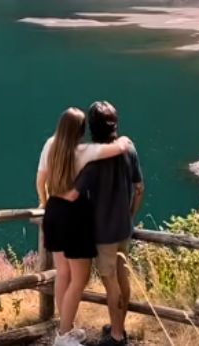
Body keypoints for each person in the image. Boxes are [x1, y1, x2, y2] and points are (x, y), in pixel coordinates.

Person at [36, 107, 134, 346]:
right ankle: (63, 335)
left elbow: (40, 180)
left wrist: (45, 202)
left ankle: (66, 329)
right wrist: (124, 139)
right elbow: (120, 147)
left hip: (53, 213)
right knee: (79, 279)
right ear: (81, 131)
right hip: (74, 217)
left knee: (63, 273)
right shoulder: (84, 151)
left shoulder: (50, 144)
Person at [75, 101, 144, 346]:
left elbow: (77, 194)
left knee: (110, 281)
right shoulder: (130, 149)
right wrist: (130, 215)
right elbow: (139, 188)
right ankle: (119, 327)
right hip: (124, 229)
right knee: (122, 278)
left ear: (93, 127)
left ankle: (116, 336)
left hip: (103, 232)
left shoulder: (92, 158)